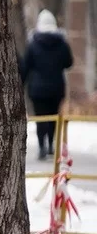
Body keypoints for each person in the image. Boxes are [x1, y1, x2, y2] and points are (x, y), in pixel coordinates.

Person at [21, 9, 73, 160]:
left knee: (40, 117)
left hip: (37, 88)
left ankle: (42, 145)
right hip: (56, 87)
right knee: (53, 116)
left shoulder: (33, 44)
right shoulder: (62, 43)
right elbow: (69, 63)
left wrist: (22, 84)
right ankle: (51, 144)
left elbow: (26, 65)